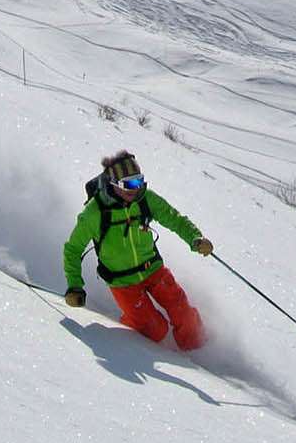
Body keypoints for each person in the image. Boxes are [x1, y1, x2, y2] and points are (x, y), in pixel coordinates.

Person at [63, 150, 213, 351]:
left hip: (153, 269)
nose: (136, 189)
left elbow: (174, 219)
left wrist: (195, 238)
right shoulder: (95, 212)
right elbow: (72, 249)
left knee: (184, 315)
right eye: (130, 184)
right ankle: (133, 328)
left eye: (139, 181)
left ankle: (201, 355)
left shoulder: (145, 199)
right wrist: (74, 286)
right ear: (114, 184)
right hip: (122, 281)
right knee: (155, 330)